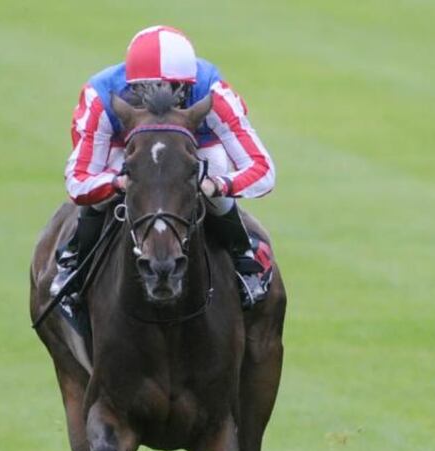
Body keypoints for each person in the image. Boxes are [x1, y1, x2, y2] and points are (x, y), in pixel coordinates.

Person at [54, 25, 276, 308]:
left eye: (172, 91)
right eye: (143, 92)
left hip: (193, 144)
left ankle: (243, 255)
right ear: (130, 85)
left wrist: (216, 185)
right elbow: (78, 179)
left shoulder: (212, 90)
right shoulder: (101, 96)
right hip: (130, 147)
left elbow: (263, 168)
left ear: (188, 85)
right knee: (108, 172)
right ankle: (75, 259)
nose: (159, 100)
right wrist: (117, 183)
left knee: (217, 164)